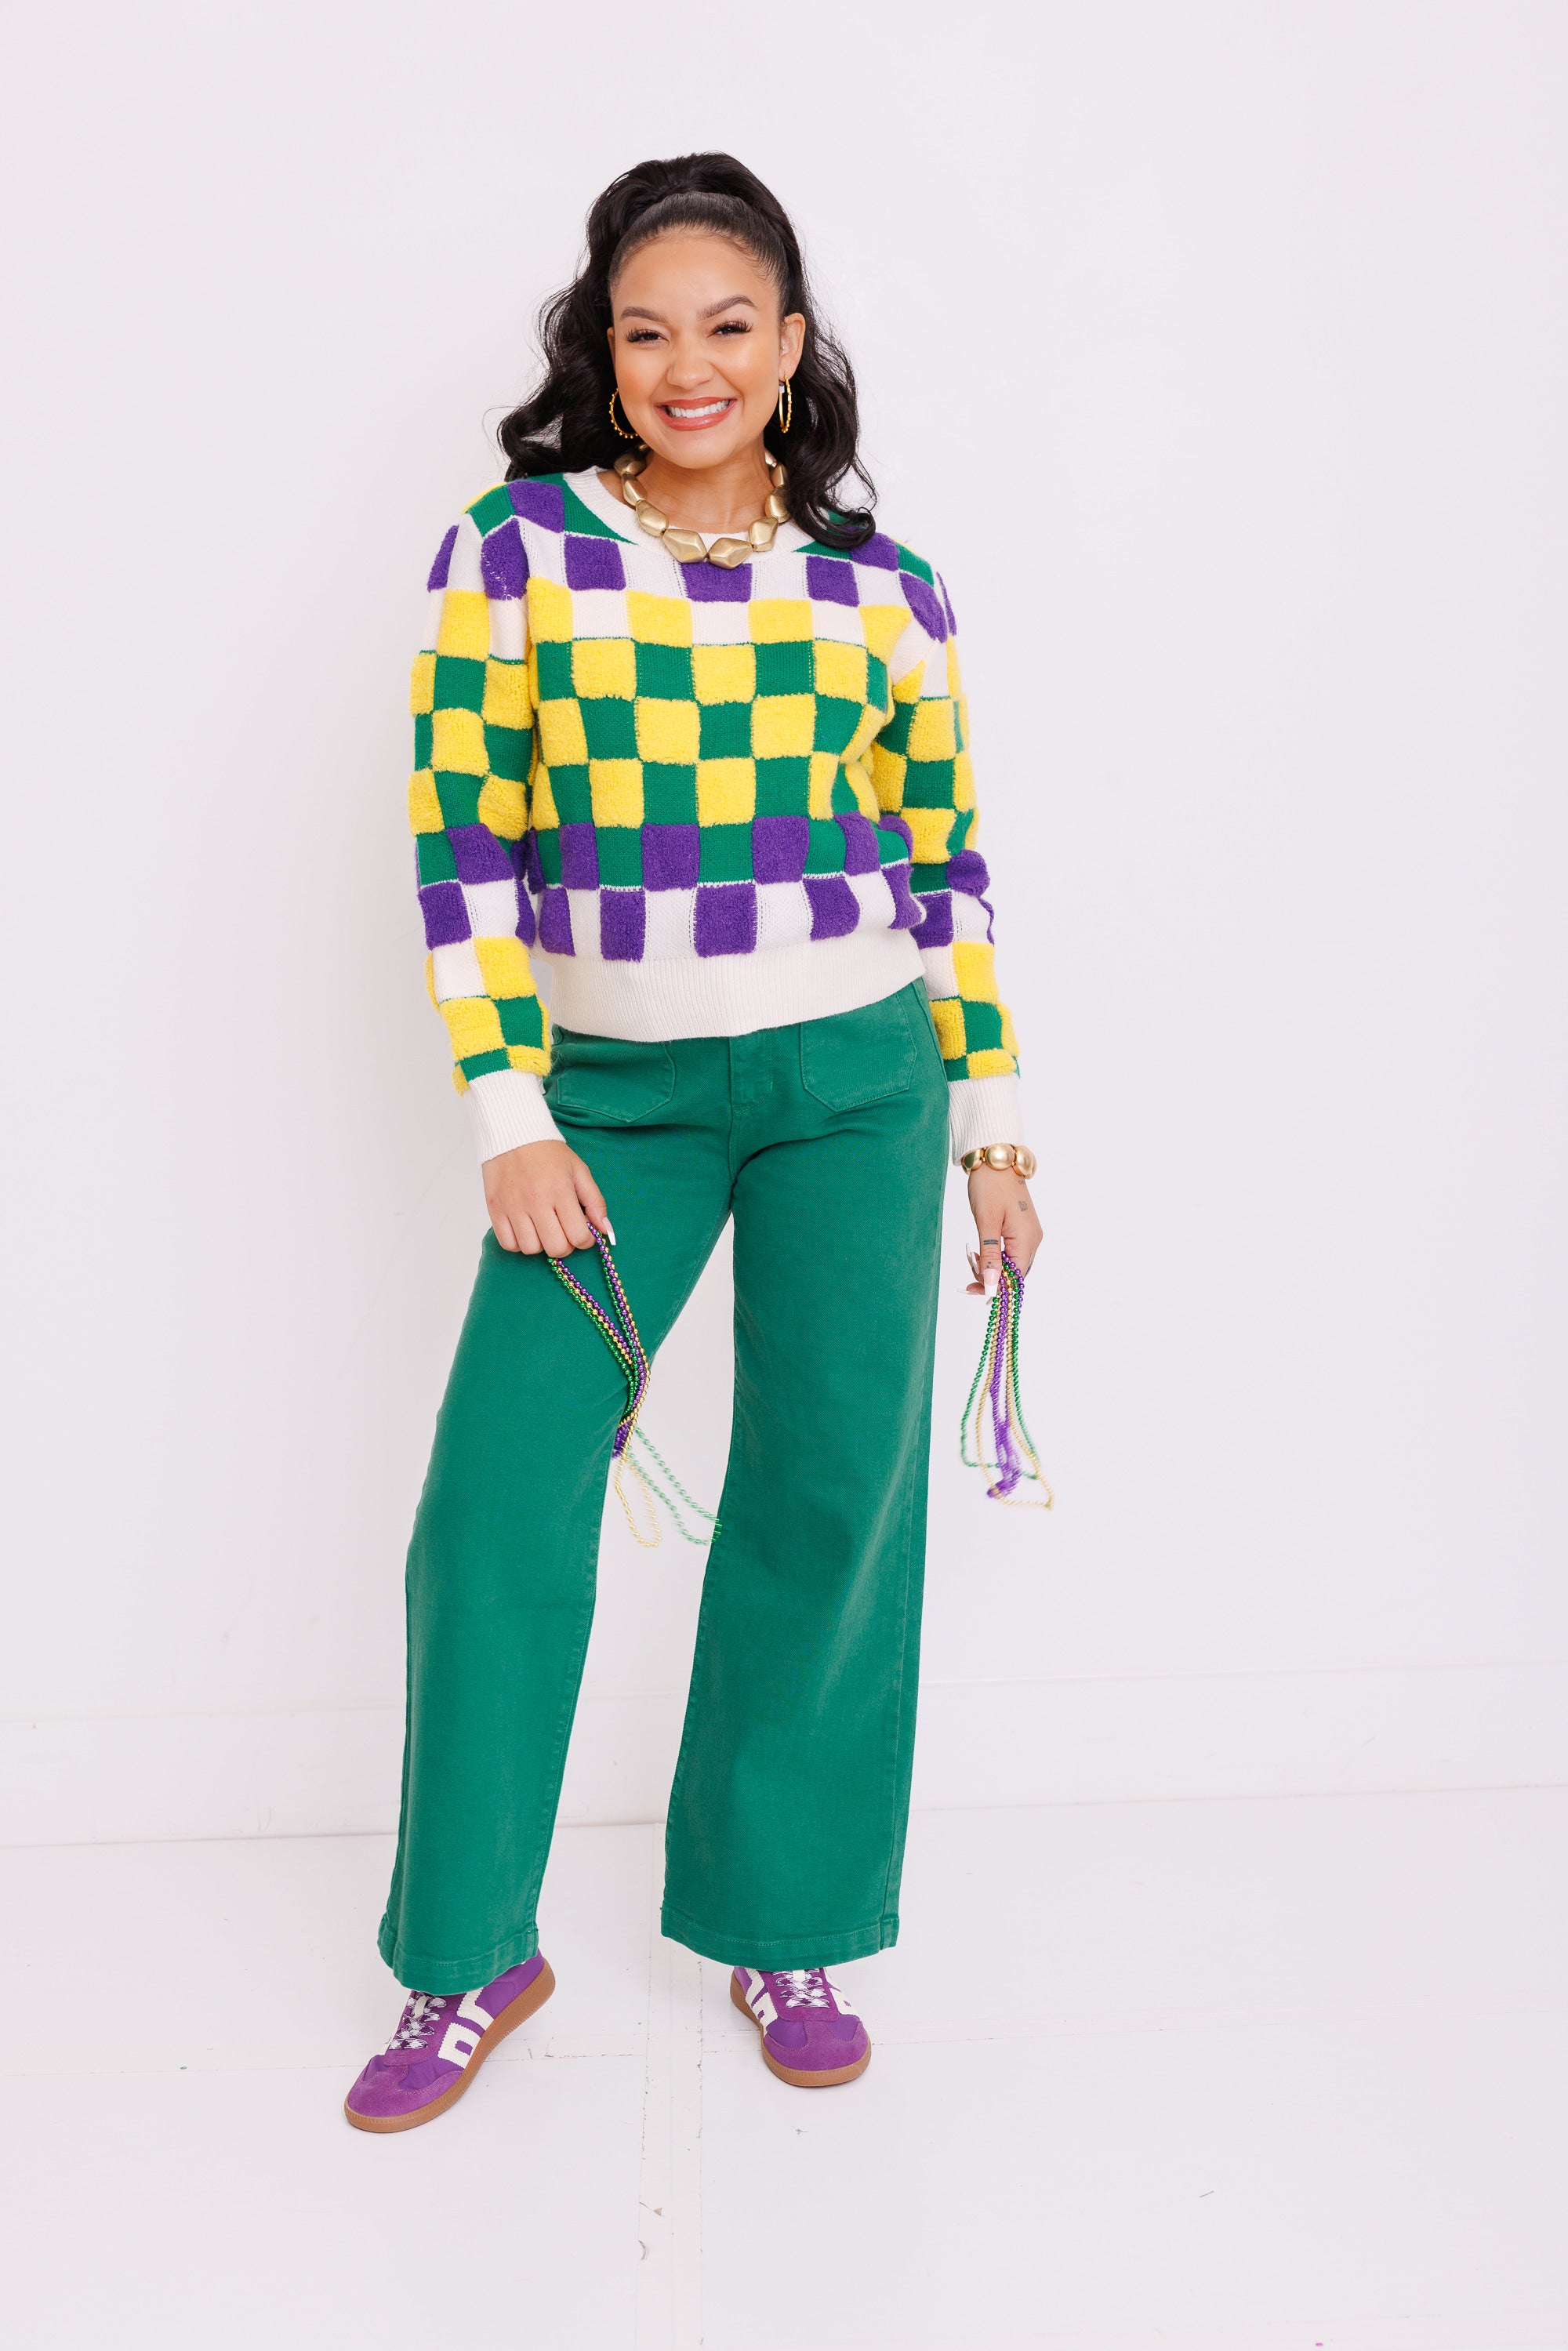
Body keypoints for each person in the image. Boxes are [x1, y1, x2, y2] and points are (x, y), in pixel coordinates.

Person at [345, 152, 1040, 2134]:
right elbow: (464, 841)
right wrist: (508, 1111)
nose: (687, 365)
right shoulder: (516, 550)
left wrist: (992, 1129)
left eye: (727, 325)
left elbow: (944, 867)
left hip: (857, 1085)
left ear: (790, 344)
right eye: (644, 332)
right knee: (497, 1508)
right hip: (609, 1101)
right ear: (603, 350)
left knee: (828, 1497)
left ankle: (783, 1918)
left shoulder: (885, 589)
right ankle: (466, 1956)